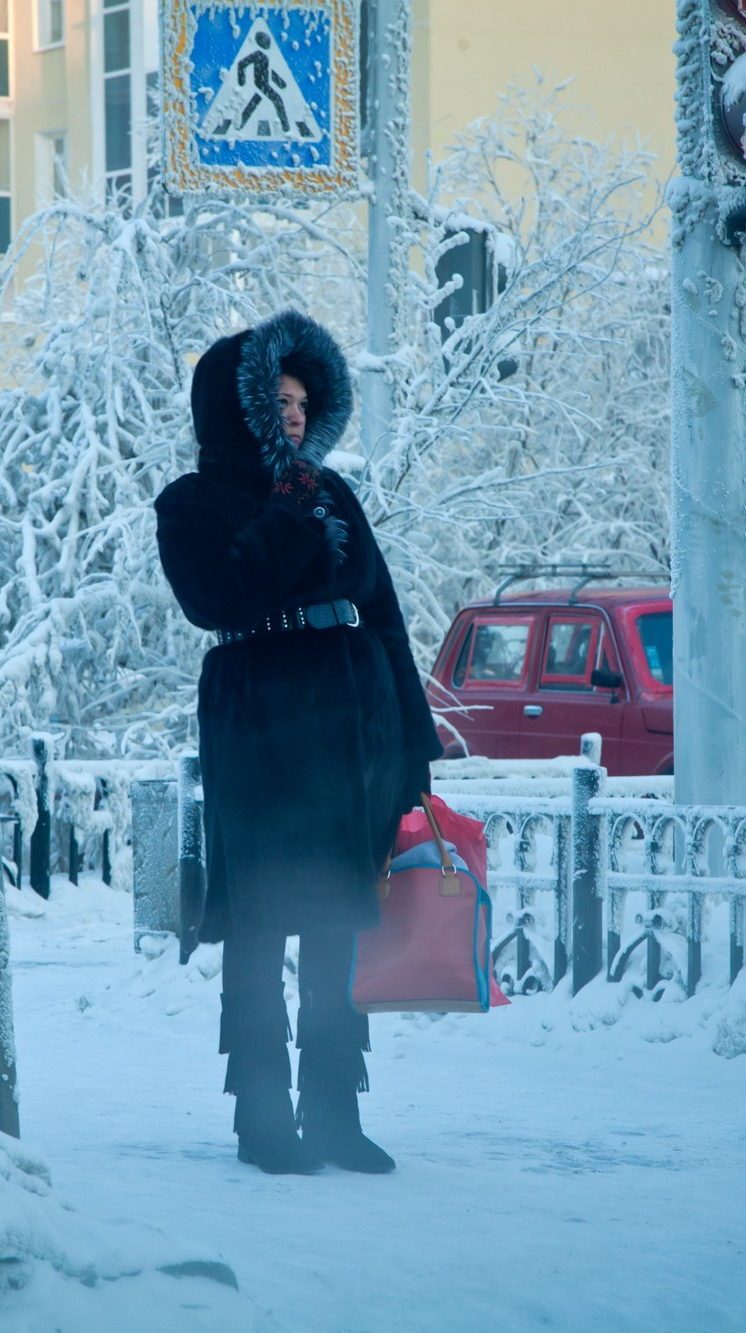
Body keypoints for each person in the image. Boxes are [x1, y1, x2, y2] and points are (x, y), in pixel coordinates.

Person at [153, 311, 441, 1176]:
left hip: (355, 726)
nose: (292, 412)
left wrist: (413, 750)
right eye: (276, 398)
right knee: (260, 921)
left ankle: (333, 1111)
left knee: (338, 923)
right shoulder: (193, 503)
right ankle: (262, 1115)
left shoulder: (334, 494)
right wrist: (284, 507)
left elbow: (385, 619)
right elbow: (218, 594)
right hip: (263, 729)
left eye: (302, 400)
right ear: (235, 407)